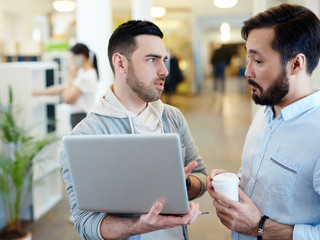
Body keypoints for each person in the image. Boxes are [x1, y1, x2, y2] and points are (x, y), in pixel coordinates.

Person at [59, 20, 208, 240]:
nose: (165, 71)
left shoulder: (172, 117)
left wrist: (182, 184)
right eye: (152, 60)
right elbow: (85, 222)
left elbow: (200, 178)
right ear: (120, 63)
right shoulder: (86, 135)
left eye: (163, 60)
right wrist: (140, 225)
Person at [206, 3, 320, 240]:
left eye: (258, 61)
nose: (247, 72)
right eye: (248, 59)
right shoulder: (265, 112)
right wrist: (233, 183)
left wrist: (259, 227)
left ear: (297, 63)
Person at [33, 43, 98, 128]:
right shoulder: (83, 73)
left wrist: (70, 76)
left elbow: (67, 99)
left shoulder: (87, 77)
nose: (73, 62)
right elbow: (63, 88)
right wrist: (39, 93)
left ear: (81, 56)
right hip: (79, 116)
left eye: (73, 58)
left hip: (80, 116)